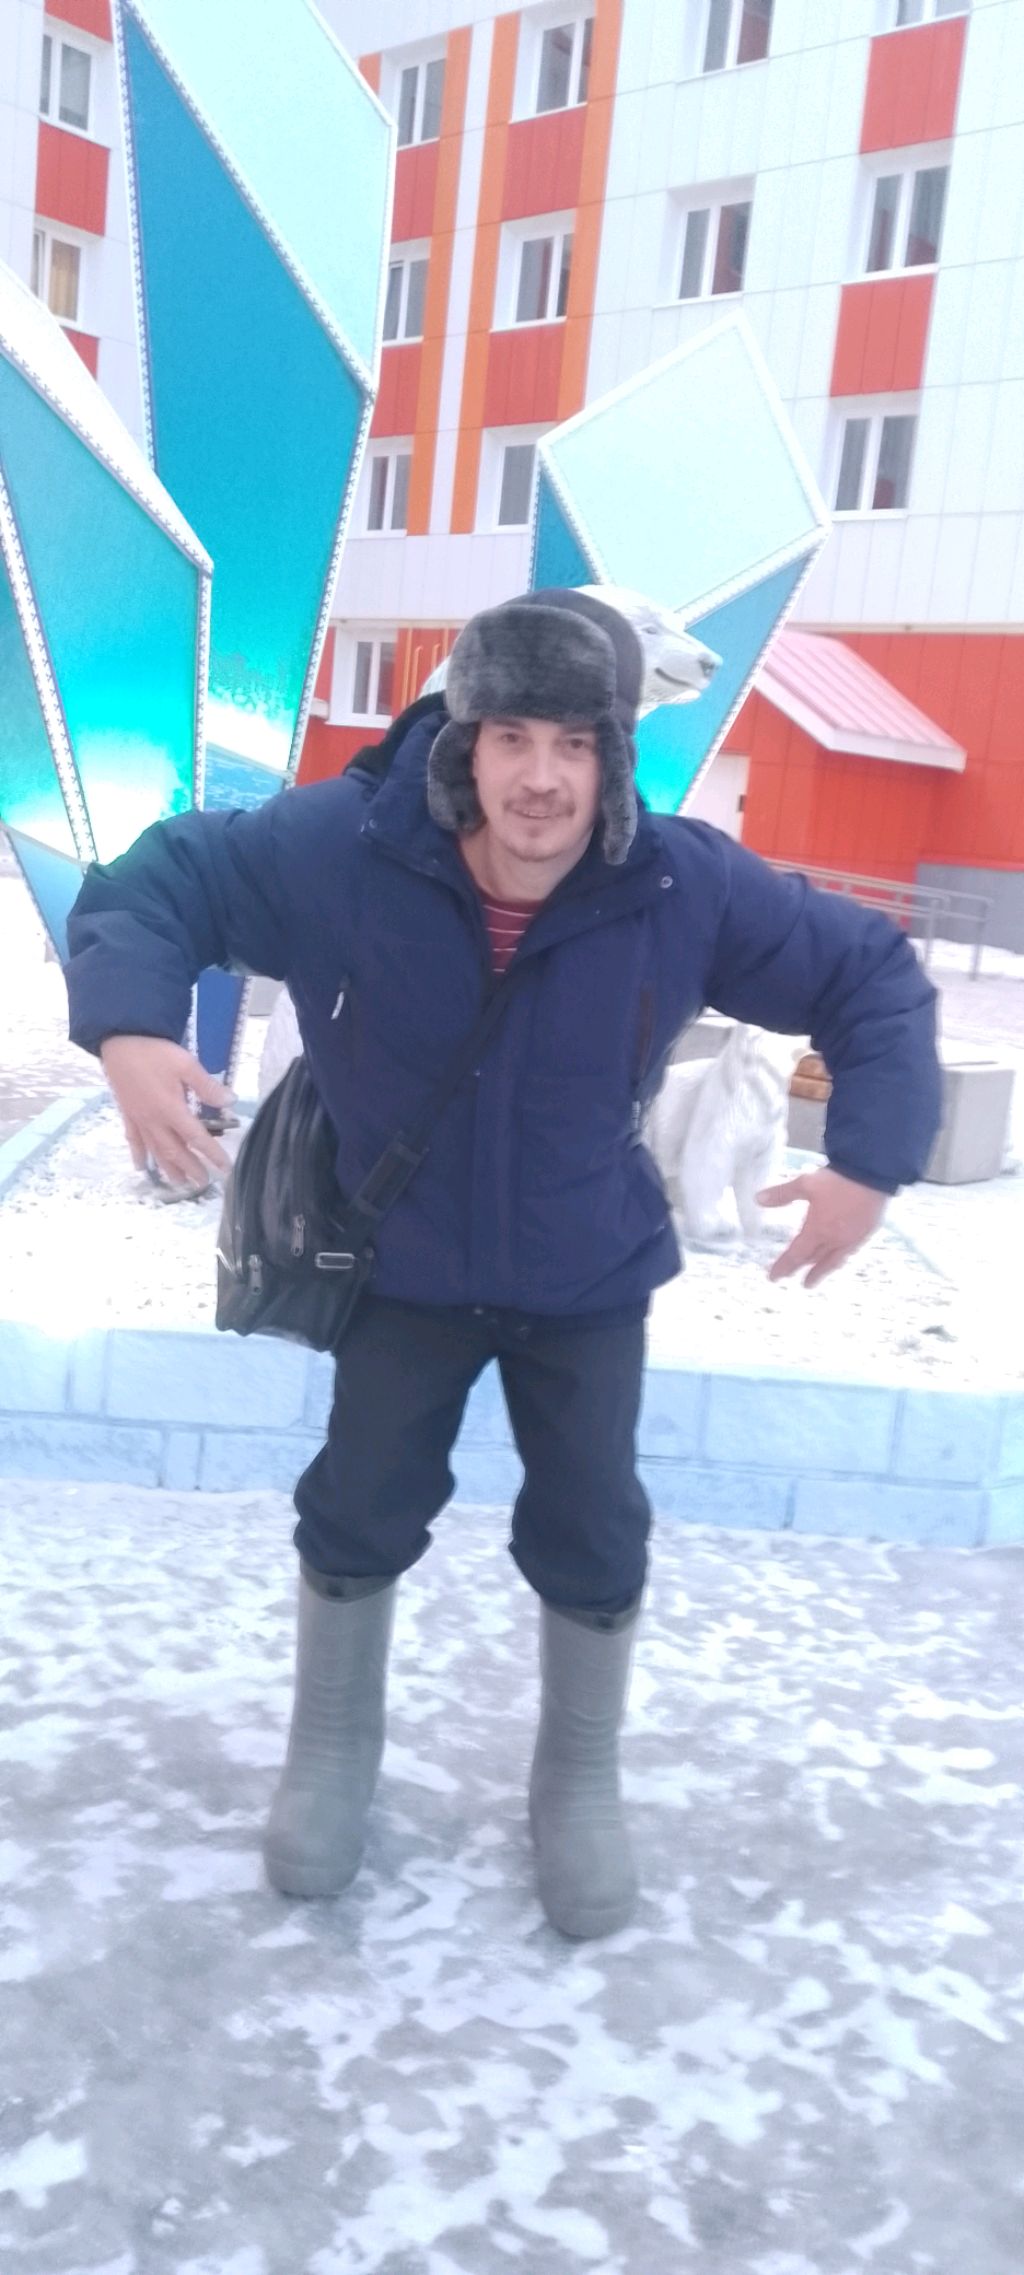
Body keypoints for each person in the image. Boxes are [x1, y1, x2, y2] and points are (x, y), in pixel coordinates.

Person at [64, 588, 942, 1940]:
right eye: (513, 736)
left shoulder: (677, 883)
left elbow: (871, 976)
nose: (542, 777)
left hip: (585, 1275)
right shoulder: (346, 848)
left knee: (593, 1526)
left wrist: (868, 1161)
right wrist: (130, 1029)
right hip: (402, 1269)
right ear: (462, 741)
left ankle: (576, 1779)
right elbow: (156, 879)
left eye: (575, 743)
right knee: (359, 1506)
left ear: (614, 754)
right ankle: (333, 1747)